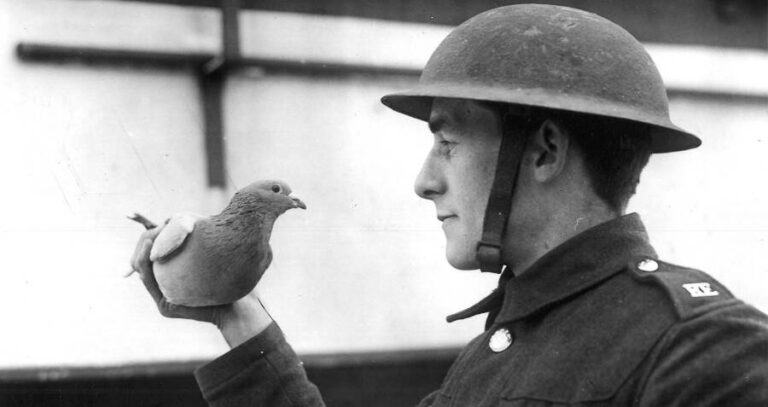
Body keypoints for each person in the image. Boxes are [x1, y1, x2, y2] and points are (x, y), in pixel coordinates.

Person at [131, 4, 768, 406]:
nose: (424, 181)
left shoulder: (705, 350)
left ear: (544, 151)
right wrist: (235, 316)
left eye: (448, 140)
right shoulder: (496, 352)